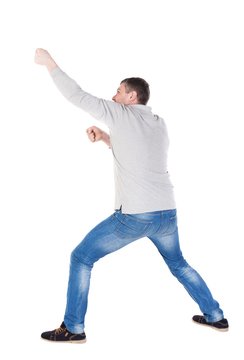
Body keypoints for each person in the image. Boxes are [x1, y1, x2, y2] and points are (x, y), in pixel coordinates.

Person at [35, 48, 229, 343]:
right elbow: (139, 154)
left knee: (81, 257)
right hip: (166, 214)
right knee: (179, 265)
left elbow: (77, 95)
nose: (113, 96)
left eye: (118, 91)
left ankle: (73, 328)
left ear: (131, 97)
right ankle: (216, 316)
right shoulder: (158, 123)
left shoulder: (119, 113)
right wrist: (104, 139)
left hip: (135, 216)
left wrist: (50, 64)